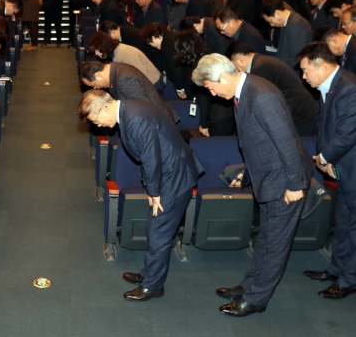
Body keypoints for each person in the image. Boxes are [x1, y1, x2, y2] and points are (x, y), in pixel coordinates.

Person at [192, 53, 312, 317]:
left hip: (285, 181)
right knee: (266, 238)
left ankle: (257, 299)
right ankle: (250, 285)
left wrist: (295, 185)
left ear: (223, 77)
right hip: (269, 177)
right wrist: (248, 173)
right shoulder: (245, 91)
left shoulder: (262, 96)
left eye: (210, 87)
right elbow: (260, 140)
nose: (211, 94)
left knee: (276, 243)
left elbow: (287, 144)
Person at [78, 90, 203, 301]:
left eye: (96, 119)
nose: (97, 125)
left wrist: (154, 192)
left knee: (159, 234)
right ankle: (149, 275)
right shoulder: (129, 108)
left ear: (105, 107)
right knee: (154, 228)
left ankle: (153, 286)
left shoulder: (134, 118)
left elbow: (150, 158)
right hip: (169, 173)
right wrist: (151, 188)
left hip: (173, 177)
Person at [298, 41, 356, 299]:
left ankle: (349, 281)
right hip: (346, 167)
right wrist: (325, 158)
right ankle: (337, 269)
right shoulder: (331, 86)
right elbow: (326, 127)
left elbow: (347, 135)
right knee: (344, 224)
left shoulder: (351, 89)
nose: (303, 77)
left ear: (321, 66)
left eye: (305, 71)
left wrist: (324, 157)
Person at [228, 41, 319, 136]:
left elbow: (263, 103)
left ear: (239, 60)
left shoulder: (261, 68)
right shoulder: (262, 61)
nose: (235, 71)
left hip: (300, 115)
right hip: (300, 111)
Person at [80, 61, 178, 123]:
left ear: (98, 75)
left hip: (159, 124)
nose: (96, 88)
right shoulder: (117, 69)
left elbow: (145, 109)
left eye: (94, 85)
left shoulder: (123, 79)